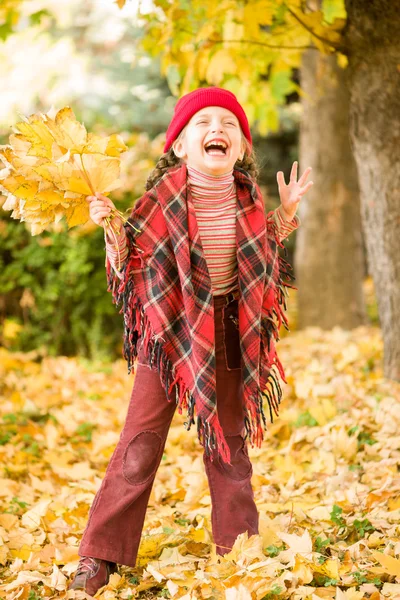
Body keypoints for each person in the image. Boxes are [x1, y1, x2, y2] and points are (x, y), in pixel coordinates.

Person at [68, 86, 313, 595]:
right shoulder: (159, 200)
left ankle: (240, 549)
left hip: (227, 329)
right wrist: (111, 226)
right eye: (202, 124)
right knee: (139, 445)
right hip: (168, 332)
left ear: (242, 147)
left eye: (228, 124)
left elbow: (260, 256)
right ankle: (100, 555)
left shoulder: (248, 198)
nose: (216, 130)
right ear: (179, 145)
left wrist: (286, 213)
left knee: (230, 444)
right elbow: (132, 262)